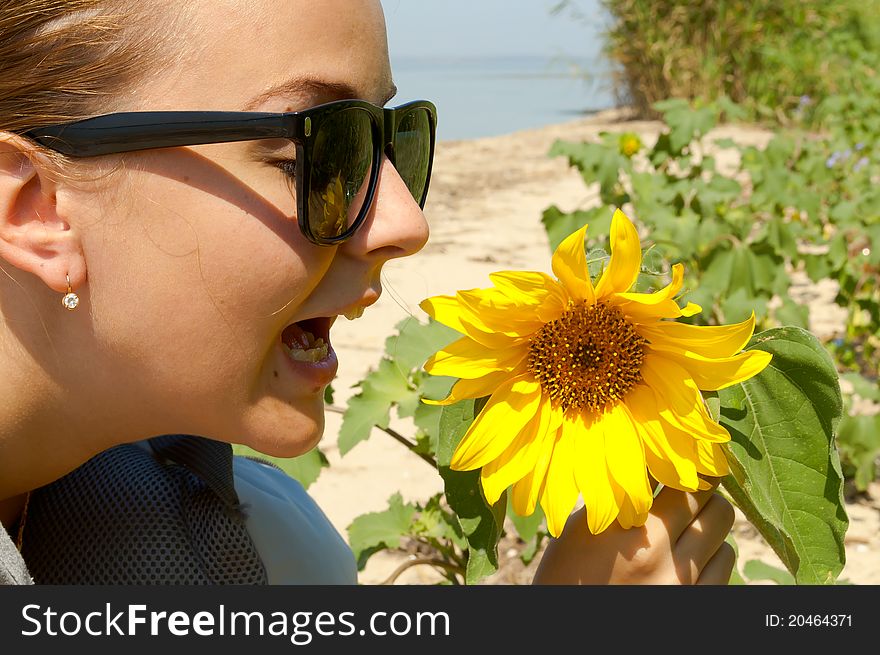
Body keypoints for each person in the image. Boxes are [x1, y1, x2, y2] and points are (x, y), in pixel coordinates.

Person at [0, 0, 735, 585]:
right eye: (316, 153)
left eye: (394, 139)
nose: (406, 222)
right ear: (35, 209)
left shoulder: (253, 537)